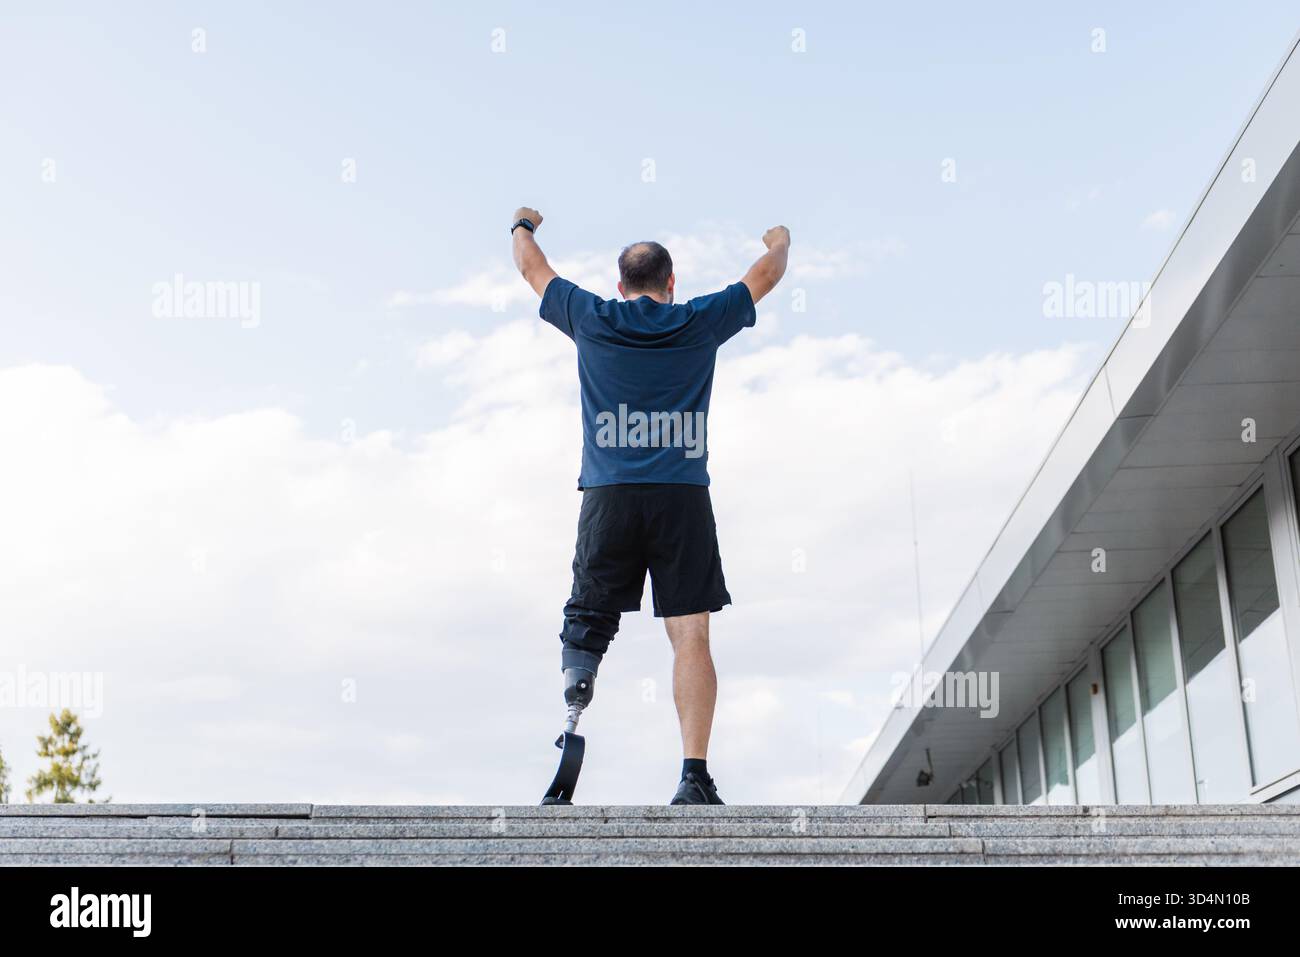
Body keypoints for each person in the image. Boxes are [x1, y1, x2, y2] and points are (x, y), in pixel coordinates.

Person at [511, 207, 790, 804]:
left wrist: (523, 224)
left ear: (621, 286)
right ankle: (693, 775)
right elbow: (766, 274)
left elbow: (532, 268)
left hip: (608, 496)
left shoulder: (589, 315)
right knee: (690, 635)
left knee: (586, 620)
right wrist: (779, 239)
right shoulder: (698, 319)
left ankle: (571, 724)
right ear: (671, 283)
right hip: (680, 498)